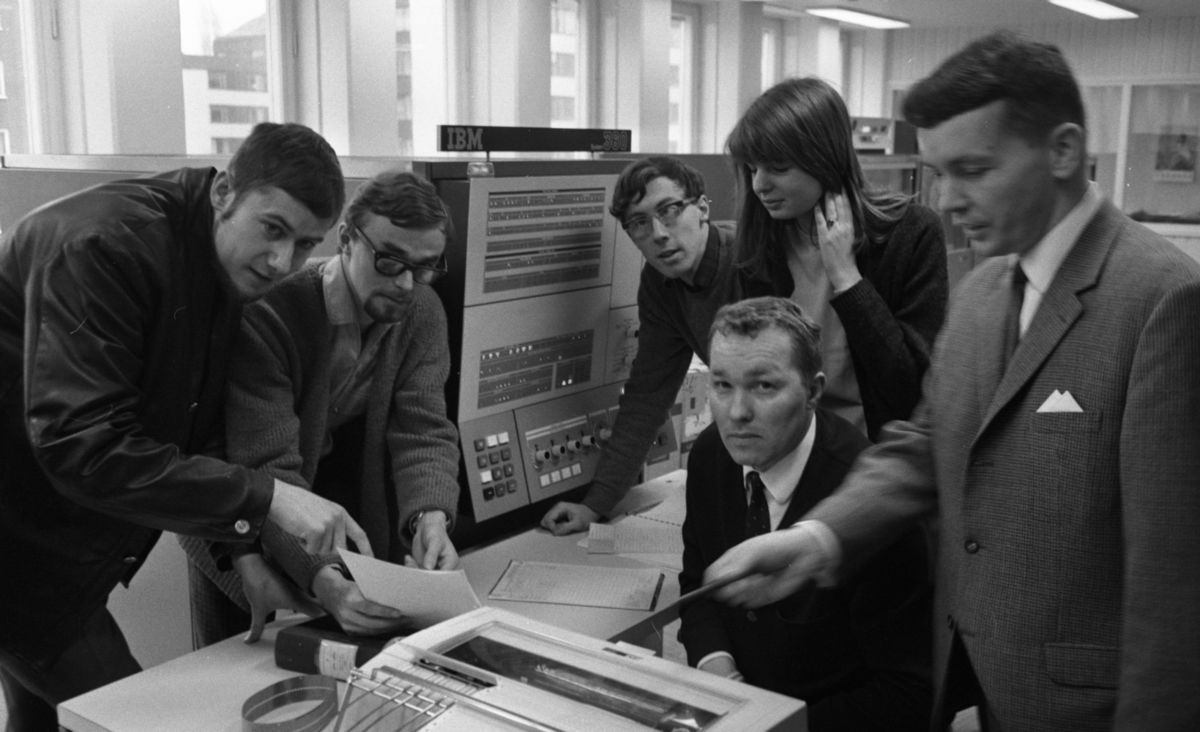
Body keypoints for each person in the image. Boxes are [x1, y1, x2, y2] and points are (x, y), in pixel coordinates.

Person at [706, 31, 1200, 731]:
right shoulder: (985, 288)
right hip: (982, 677)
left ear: (1062, 151)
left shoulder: (1163, 300)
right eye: (938, 171)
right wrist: (820, 538)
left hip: (1090, 702)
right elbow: (927, 444)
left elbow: (1174, 581)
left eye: (972, 168)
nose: (946, 196)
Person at [0, 122, 370, 730]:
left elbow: (189, 422)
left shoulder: (218, 265)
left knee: (43, 719)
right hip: (22, 547)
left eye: (305, 244)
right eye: (273, 229)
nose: (283, 261)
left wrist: (243, 549)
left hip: (46, 536)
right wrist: (272, 496)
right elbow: (85, 447)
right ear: (224, 191)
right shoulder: (106, 246)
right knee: (124, 717)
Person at [181, 170, 462, 645]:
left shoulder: (422, 310)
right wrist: (322, 580)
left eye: (426, 265)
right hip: (237, 525)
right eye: (391, 262)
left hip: (337, 521)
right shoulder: (271, 311)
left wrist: (429, 517)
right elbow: (268, 467)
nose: (408, 284)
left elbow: (425, 430)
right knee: (237, 669)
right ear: (348, 239)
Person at [680, 297, 932, 731]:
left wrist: (777, 727)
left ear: (814, 391)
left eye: (764, 387)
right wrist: (719, 672)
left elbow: (909, 691)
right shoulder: (709, 457)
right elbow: (698, 589)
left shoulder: (868, 502)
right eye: (722, 385)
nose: (737, 413)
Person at [728, 76, 947, 441]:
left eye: (778, 168)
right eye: (753, 169)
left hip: (876, 455)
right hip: (789, 448)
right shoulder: (761, 242)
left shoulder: (911, 233)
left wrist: (847, 278)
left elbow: (911, 387)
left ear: (824, 160)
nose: (759, 185)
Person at [542, 156, 739, 535]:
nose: (659, 233)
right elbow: (648, 396)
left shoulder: (748, 258)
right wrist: (594, 506)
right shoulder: (660, 283)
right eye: (639, 223)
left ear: (701, 209)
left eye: (669, 211)